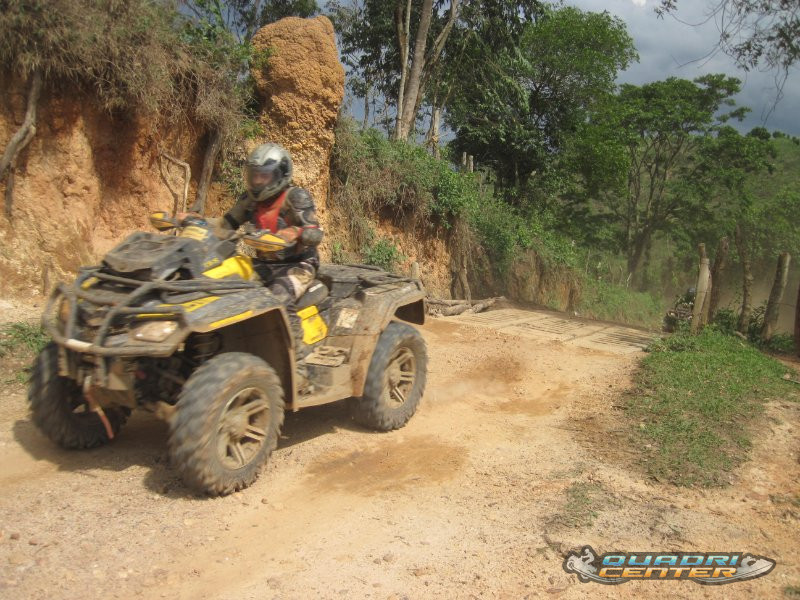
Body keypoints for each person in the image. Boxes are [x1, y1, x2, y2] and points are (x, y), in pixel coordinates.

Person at [211, 143, 324, 362]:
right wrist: (197, 222)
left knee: (278, 298)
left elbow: (315, 232)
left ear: (281, 174)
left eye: (264, 176)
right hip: (262, 263)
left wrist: (295, 232)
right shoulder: (249, 200)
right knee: (223, 284)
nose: (258, 181)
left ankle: (296, 355)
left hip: (298, 265)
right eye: (255, 176)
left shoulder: (296, 197)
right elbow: (225, 224)